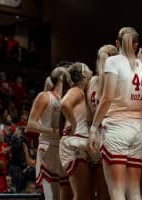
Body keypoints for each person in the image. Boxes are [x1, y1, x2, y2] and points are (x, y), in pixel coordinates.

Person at [88, 27, 142, 200]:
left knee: (117, 191)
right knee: (135, 190)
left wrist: (93, 127)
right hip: (139, 128)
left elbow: (107, 97)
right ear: (136, 45)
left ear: (117, 43)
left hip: (117, 127)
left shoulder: (113, 61)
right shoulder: (140, 65)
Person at [27, 67, 72, 200]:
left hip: (62, 148)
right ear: (61, 78)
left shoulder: (67, 98)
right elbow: (31, 124)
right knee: (51, 196)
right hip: (47, 146)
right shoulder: (45, 96)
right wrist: (55, 131)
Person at [86, 44, 118, 199]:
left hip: (95, 133)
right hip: (114, 132)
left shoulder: (91, 82)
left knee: (99, 188)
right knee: (118, 187)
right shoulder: (120, 80)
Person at [59, 62, 93, 200]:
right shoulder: (76, 90)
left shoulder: (81, 92)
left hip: (76, 141)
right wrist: (73, 124)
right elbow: (64, 104)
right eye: (89, 68)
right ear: (84, 74)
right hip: (75, 142)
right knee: (80, 195)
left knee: (83, 194)